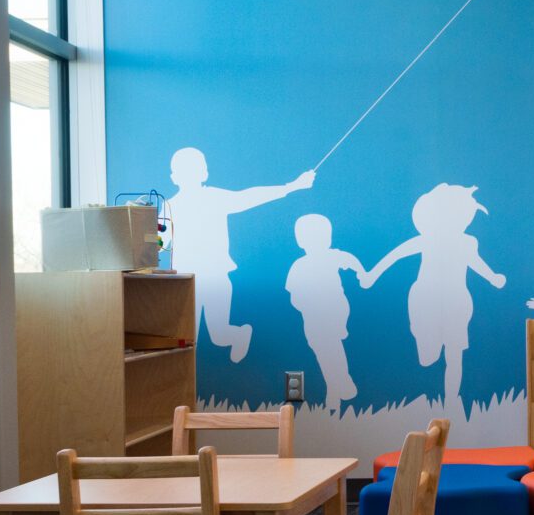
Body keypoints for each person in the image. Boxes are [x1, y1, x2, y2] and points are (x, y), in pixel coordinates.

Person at [161, 146, 313, 363]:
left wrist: (292, 187)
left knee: (219, 334)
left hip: (217, 278)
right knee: (186, 339)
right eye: (185, 171)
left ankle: (240, 334)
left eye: (195, 170)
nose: (191, 176)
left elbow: (249, 197)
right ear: (174, 177)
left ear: (204, 173)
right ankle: (184, 387)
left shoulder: (214, 197)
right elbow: (158, 241)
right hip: (185, 283)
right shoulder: (169, 207)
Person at [363, 183, 505, 408]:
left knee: (455, 353)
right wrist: (372, 274)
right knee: (427, 357)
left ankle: (450, 403)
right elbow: (396, 255)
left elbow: (476, 262)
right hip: (424, 300)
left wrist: (492, 277)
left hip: (457, 301)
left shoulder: (468, 242)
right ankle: (426, 343)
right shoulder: (427, 239)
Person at [283, 214, 367, 405]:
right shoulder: (299, 265)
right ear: (300, 241)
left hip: (335, 309)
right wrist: (302, 304)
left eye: (322, 236)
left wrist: (362, 272)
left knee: (331, 346)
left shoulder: (332, 256)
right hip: (311, 315)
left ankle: (339, 385)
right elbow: (293, 293)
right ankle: (338, 384)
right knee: (323, 349)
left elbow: (350, 259)